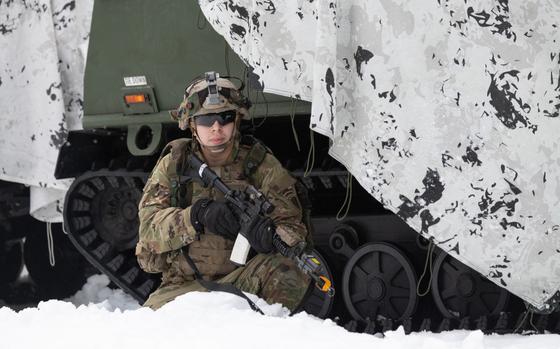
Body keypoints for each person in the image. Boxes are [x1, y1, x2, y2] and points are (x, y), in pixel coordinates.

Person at [135, 72, 312, 311]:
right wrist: (196, 215)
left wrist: (270, 235)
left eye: (225, 117)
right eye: (206, 121)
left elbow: (293, 228)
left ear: (236, 120)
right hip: (182, 286)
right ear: (192, 125)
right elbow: (148, 231)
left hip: (244, 281)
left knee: (291, 270)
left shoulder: (259, 164)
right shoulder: (174, 165)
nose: (216, 127)